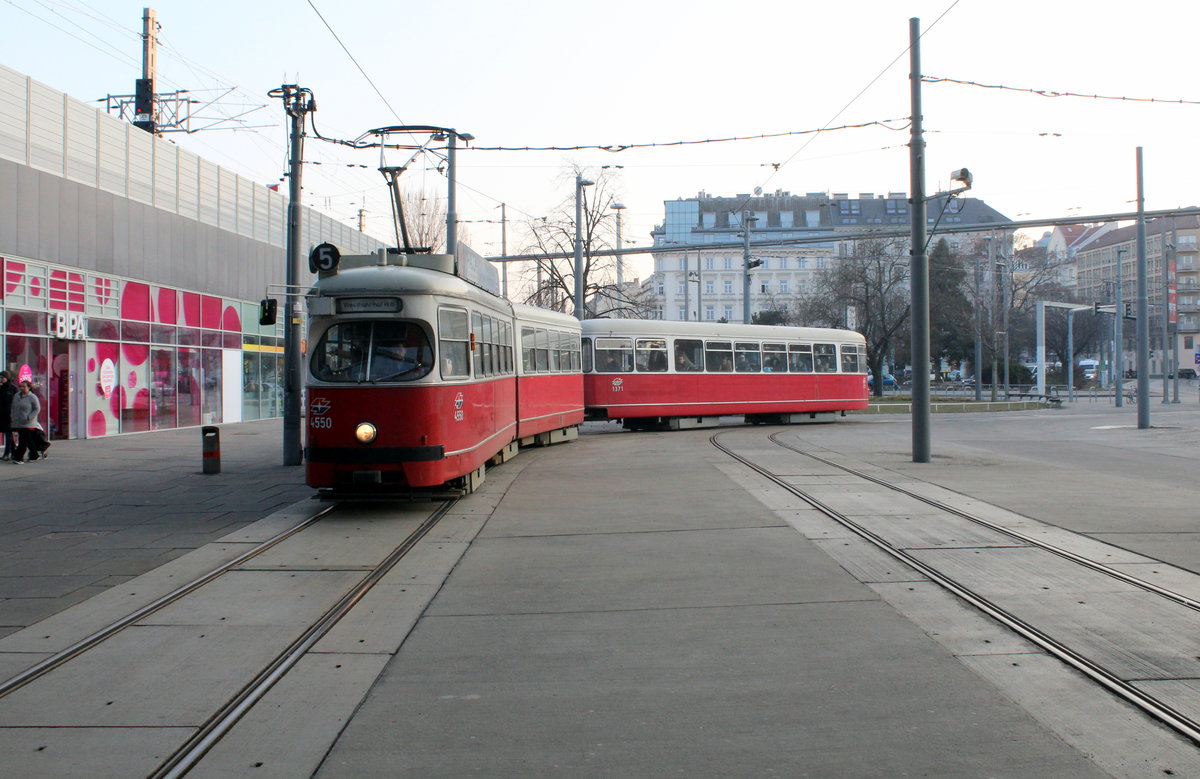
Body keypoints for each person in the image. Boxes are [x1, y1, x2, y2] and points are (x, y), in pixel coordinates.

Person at [10, 380, 49, 464]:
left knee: (23, 440)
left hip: (28, 423)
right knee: (28, 440)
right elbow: (13, 407)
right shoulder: (16, 396)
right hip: (18, 422)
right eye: (20, 386)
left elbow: (37, 408)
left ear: (28, 387)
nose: (21, 388)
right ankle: (34, 454)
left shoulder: (32, 397)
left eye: (24, 386)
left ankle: (18, 457)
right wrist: (13, 416)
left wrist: (30, 417)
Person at [0, 371, 16, 460]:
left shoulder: (12, 388)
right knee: (7, 433)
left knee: (8, 433)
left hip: (10, 414)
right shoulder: (1, 388)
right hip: (2, 414)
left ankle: (7, 453)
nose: (1, 379)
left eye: (3, 377)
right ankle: (13, 452)